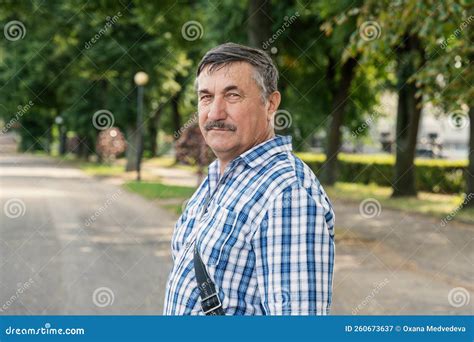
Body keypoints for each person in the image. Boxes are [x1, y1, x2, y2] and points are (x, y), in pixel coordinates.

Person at [164, 42, 335, 315]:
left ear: (270, 104)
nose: (215, 113)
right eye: (206, 97)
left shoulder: (287, 194)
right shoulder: (219, 178)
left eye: (232, 96)